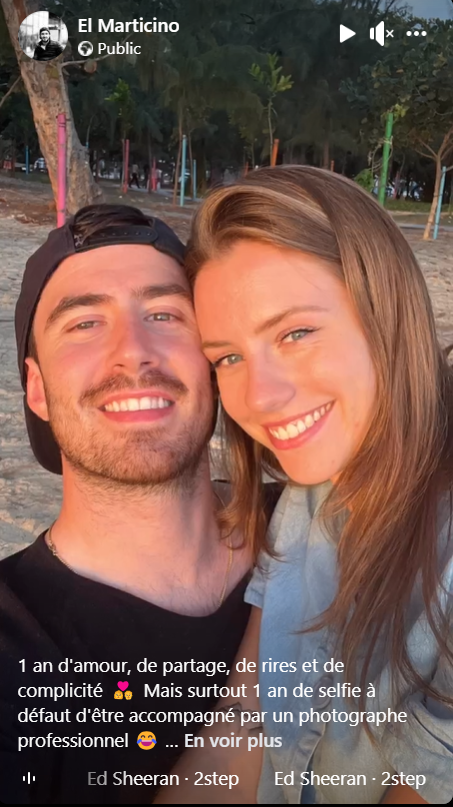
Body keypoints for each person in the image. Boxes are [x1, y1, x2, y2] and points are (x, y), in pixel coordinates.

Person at [155, 166, 453, 805]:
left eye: (295, 333)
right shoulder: (309, 494)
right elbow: (244, 716)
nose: (259, 397)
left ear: (385, 307)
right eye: (228, 357)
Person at [0, 204, 281, 804]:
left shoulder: (328, 516)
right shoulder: (13, 643)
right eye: (84, 323)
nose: (134, 351)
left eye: (164, 315)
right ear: (37, 389)